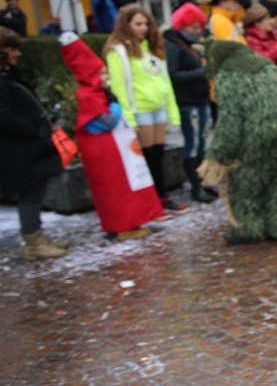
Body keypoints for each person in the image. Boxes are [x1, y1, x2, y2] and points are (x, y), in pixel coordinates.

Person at [198, 40, 277, 244]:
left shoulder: (229, 74)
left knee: (245, 182)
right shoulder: (265, 65)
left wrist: (219, 153)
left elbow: (230, 119)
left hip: (261, 131)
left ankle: (245, 230)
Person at [59, 33, 164, 239]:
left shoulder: (96, 94)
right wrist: (116, 107)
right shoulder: (90, 95)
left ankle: (129, 222)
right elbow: (106, 121)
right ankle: (122, 226)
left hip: (112, 150)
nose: (107, 78)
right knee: (115, 189)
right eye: (103, 74)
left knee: (121, 187)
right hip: (106, 154)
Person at [104, 4, 185, 212]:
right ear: (126, 25)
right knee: (146, 157)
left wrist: (172, 111)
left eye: (146, 24)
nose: (143, 28)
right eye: (137, 24)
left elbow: (165, 81)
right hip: (140, 110)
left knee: (158, 154)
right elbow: (119, 87)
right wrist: (129, 119)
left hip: (159, 108)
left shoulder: (153, 48)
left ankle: (162, 197)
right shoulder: (118, 52)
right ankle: (151, 201)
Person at [0, 27, 67, 259]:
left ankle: (36, 236)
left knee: (35, 191)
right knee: (31, 192)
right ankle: (34, 243)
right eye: (12, 49)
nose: (17, 54)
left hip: (27, 147)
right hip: (20, 149)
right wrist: (33, 131)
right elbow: (4, 116)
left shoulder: (7, 75)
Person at [164, 2, 216, 203]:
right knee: (193, 145)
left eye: (198, 27)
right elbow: (173, 75)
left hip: (200, 99)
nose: (197, 32)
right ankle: (196, 185)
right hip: (188, 102)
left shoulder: (189, 46)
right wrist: (201, 73)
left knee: (201, 143)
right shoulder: (174, 47)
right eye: (193, 27)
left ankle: (204, 181)